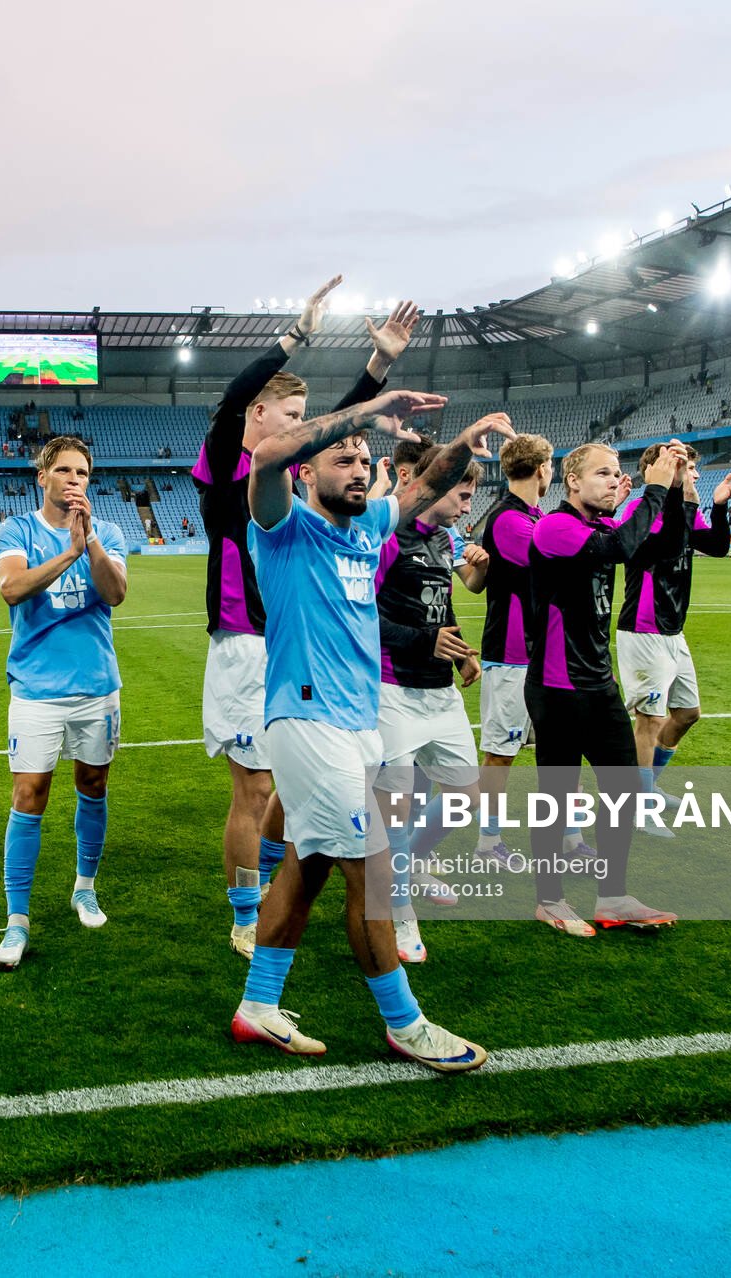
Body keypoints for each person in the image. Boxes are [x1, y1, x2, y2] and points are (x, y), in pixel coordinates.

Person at [230, 383, 490, 1071]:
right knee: (373, 870)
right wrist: (365, 414)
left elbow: (422, 487)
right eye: (338, 458)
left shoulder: (371, 526)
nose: (353, 467)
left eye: (360, 459)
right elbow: (265, 455)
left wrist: (462, 444)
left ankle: (258, 1005)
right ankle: (406, 1023)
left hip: (356, 723)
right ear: (307, 472)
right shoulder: (282, 528)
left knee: (310, 867)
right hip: (308, 722)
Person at [193, 278, 420, 958]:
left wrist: (377, 368)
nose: (300, 421)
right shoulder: (226, 466)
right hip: (243, 639)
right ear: (256, 416)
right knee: (254, 785)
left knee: (290, 791)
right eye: (289, 411)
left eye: (304, 411)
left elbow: (336, 433)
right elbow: (233, 401)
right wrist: (293, 337)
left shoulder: (296, 476)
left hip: (300, 644)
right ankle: (243, 910)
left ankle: (275, 886)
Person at [525, 440, 690, 935]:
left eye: (617, 473)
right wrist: (654, 489)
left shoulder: (600, 527)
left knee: (623, 792)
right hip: (557, 685)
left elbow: (663, 545)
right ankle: (549, 899)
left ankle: (612, 895)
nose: (614, 481)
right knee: (557, 798)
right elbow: (620, 547)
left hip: (597, 683)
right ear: (572, 481)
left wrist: (676, 491)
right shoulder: (555, 526)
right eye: (602, 473)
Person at [0, 437, 128, 969]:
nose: (75, 480)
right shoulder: (17, 529)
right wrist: (66, 552)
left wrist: (88, 543)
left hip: (97, 687)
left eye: (83, 473)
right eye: (64, 471)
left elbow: (114, 594)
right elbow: (12, 588)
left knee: (93, 785)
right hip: (36, 690)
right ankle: (17, 921)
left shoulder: (109, 532)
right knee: (29, 795)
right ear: (41, 477)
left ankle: (84, 887)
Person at [372, 432, 504, 963]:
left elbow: (441, 603)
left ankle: (409, 864)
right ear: (436, 487)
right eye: (463, 495)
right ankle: (400, 914)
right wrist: (425, 642)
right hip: (391, 688)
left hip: (440, 690)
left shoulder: (445, 543)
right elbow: (362, 617)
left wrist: (460, 650)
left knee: (465, 797)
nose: (468, 505)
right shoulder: (387, 536)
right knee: (397, 811)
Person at [616, 446, 731, 835]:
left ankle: (649, 788)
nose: (694, 475)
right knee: (649, 721)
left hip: (672, 629)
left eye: (694, 468)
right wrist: (681, 498)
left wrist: (716, 507)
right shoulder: (642, 509)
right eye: (685, 467)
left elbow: (717, 546)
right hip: (644, 627)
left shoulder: (685, 507)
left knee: (687, 714)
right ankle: (636, 806)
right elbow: (664, 544)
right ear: (658, 469)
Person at [467, 432, 550, 870]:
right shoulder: (508, 519)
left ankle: (568, 837)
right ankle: (487, 842)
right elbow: (550, 573)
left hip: (538, 654)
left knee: (557, 748)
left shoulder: (531, 517)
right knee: (501, 752)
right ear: (542, 470)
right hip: (511, 653)